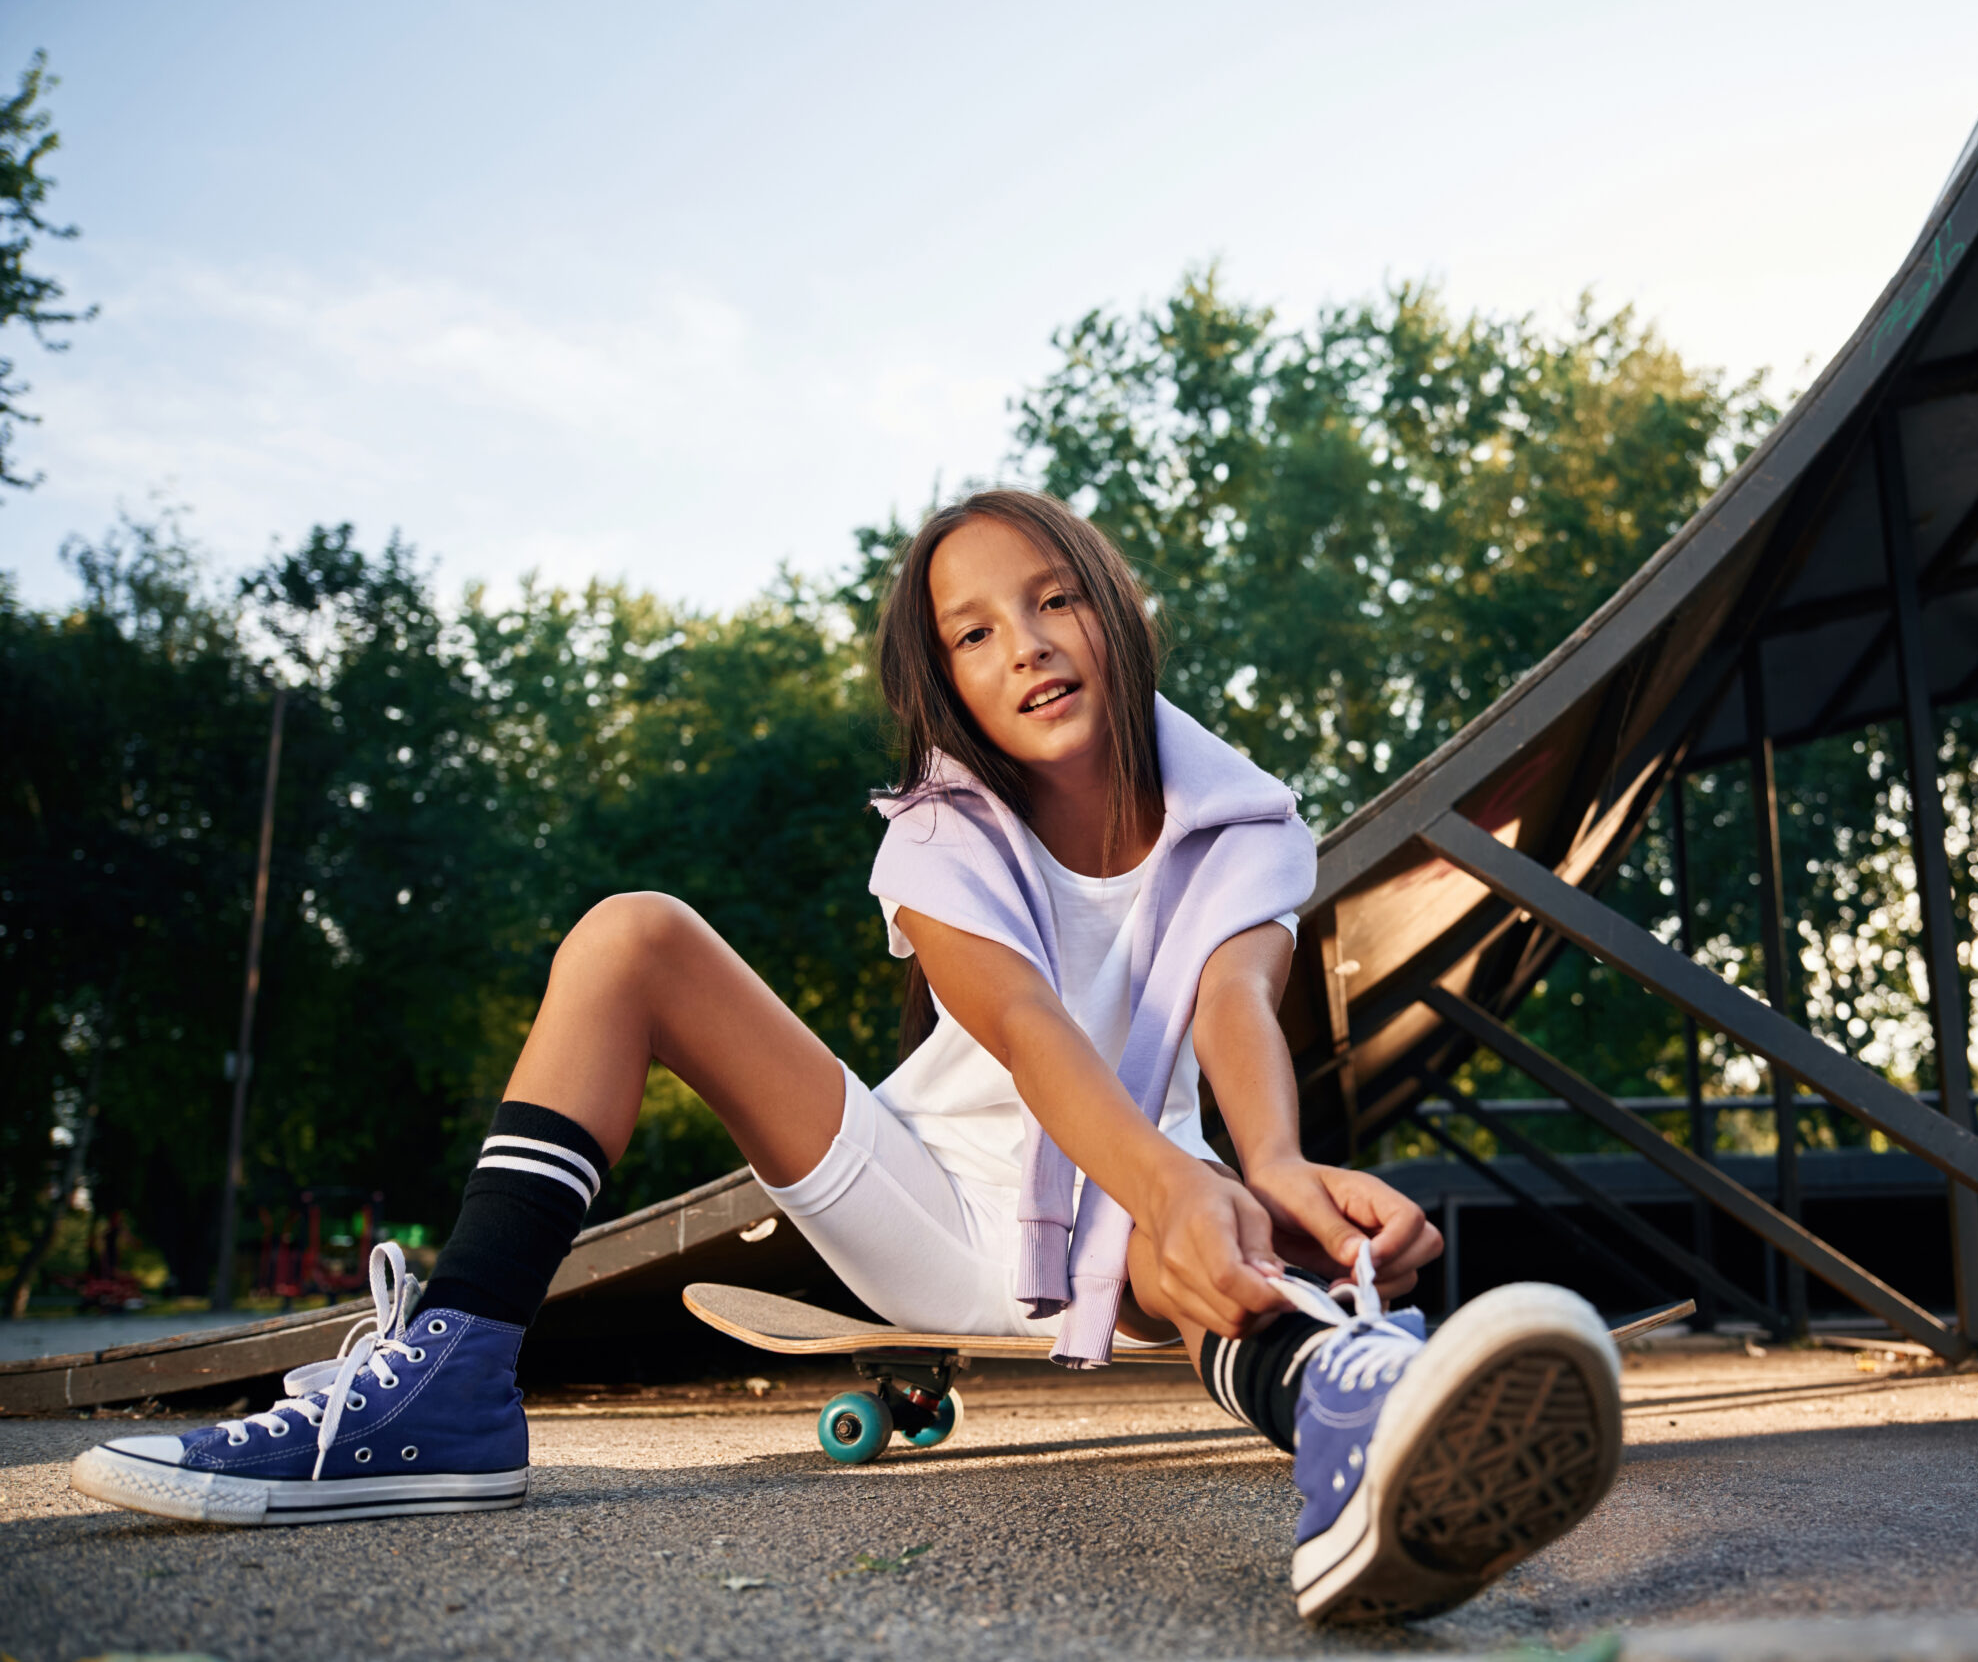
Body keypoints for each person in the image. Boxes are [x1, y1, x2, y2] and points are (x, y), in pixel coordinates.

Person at [72, 489, 1625, 1624]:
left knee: (1211, 1213)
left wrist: (1270, 1174)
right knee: (634, 936)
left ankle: (1347, 1413)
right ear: (943, 683)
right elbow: (1021, 1033)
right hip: (925, 1189)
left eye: (1052, 600)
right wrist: (1173, 1180)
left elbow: (1236, 1000)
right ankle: (454, 1376)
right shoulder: (942, 835)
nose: (1023, 645)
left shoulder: (1241, 816)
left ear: (1117, 609)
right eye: (972, 631)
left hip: (1132, 1217)